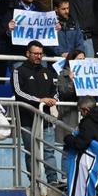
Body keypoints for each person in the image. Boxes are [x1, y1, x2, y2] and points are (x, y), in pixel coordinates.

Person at [11, 41, 61, 187]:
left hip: (46, 118)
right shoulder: (18, 71)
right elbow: (18, 92)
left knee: (49, 151)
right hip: (27, 119)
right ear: (28, 54)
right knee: (31, 151)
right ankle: (34, 181)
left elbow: (55, 91)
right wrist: (39, 100)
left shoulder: (47, 72)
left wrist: (54, 99)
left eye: (41, 54)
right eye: (36, 53)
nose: (39, 56)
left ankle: (53, 180)